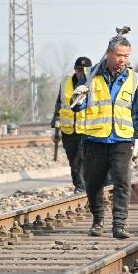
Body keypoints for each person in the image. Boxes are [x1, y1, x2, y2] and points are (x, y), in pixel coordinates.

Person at [71, 29, 138, 238]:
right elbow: (77, 107)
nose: (123, 60)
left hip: (122, 139)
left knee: (122, 182)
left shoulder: (134, 78)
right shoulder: (90, 76)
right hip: (95, 139)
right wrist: (77, 97)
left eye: (126, 56)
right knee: (94, 182)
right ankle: (98, 220)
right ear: (108, 53)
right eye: (119, 55)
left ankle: (119, 224)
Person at [51, 56, 91, 192]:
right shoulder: (65, 82)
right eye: (79, 69)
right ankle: (78, 184)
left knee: (83, 158)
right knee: (73, 160)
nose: (81, 72)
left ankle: (82, 186)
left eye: (84, 70)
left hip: (86, 129)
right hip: (68, 130)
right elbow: (59, 104)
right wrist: (55, 129)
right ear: (75, 69)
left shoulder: (93, 83)